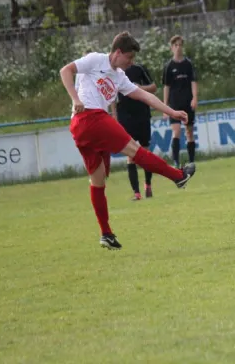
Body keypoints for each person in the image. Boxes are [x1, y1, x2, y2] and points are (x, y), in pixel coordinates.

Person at [60, 31, 196, 250]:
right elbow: (65, 70)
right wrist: (75, 99)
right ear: (118, 52)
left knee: (98, 180)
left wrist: (172, 111)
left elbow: (145, 96)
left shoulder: (120, 76)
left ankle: (106, 234)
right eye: (129, 58)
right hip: (90, 118)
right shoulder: (95, 59)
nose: (131, 63)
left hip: (83, 128)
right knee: (135, 149)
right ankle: (178, 176)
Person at [116, 63, 157, 201]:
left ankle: (148, 185)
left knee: (145, 152)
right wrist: (115, 117)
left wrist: (140, 88)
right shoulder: (115, 71)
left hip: (142, 115)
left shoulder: (139, 69)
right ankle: (136, 193)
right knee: (130, 155)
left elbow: (153, 87)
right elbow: (111, 96)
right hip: (125, 118)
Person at [162, 35, 198, 168]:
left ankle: (191, 161)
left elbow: (194, 82)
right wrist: (165, 106)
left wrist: (195, 98)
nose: (178, 48)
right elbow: (166, 87)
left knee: (189, 131)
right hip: (174, 104)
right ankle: (176, 161)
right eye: (175, 45)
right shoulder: (169, 66)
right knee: (176, 131)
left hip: (187, 102)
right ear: (172, 48)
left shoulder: (188, 64)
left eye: (180, 45)